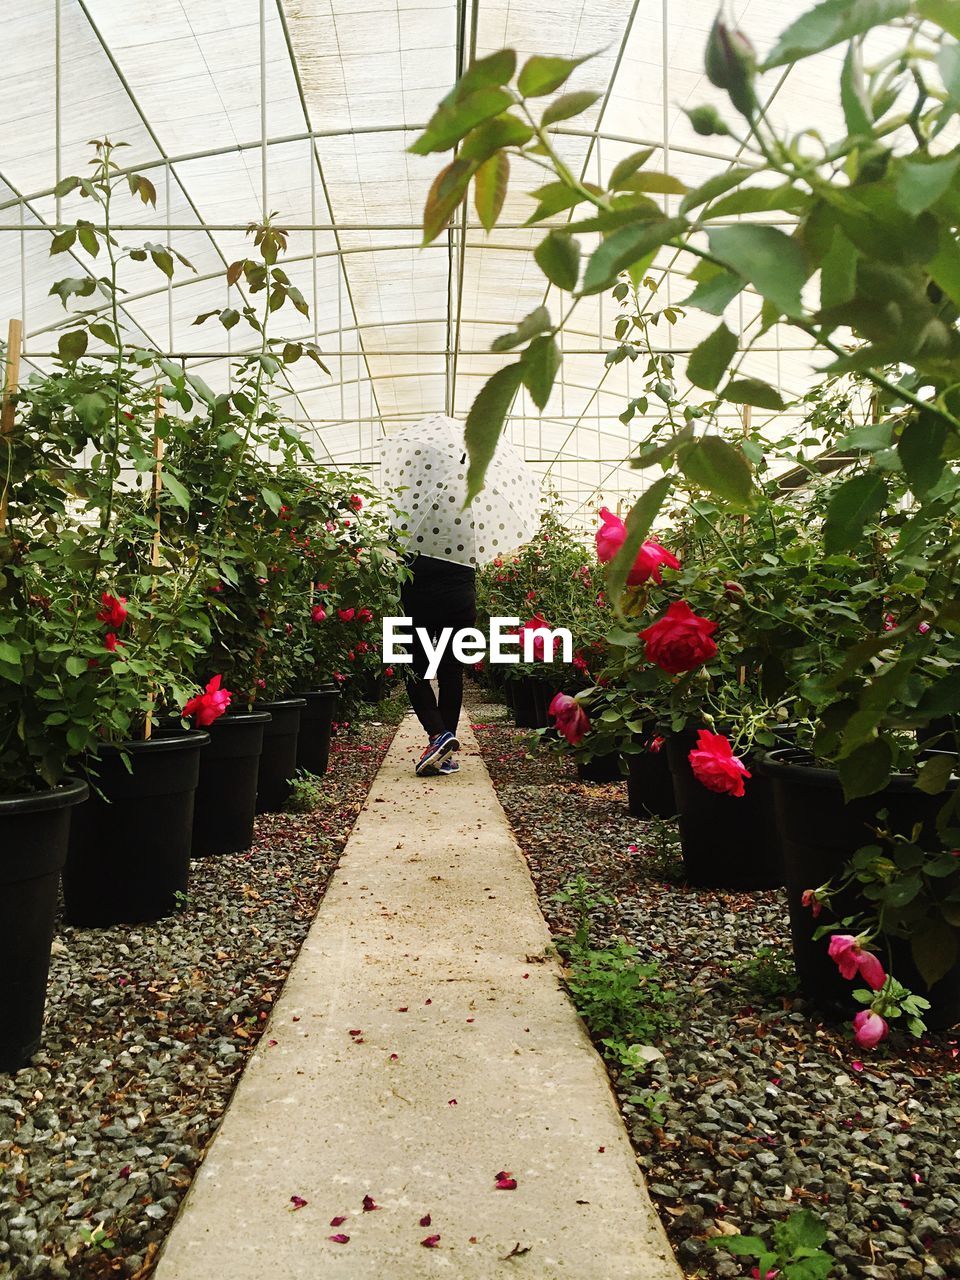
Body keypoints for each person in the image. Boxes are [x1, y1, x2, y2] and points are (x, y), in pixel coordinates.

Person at [401, 552, 476, 777]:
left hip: (417, 593)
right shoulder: (470, 518)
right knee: (451, 670)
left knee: (414, 668)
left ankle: (438, 735)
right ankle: (444, 751)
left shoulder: (411, 518)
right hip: (459, 595)